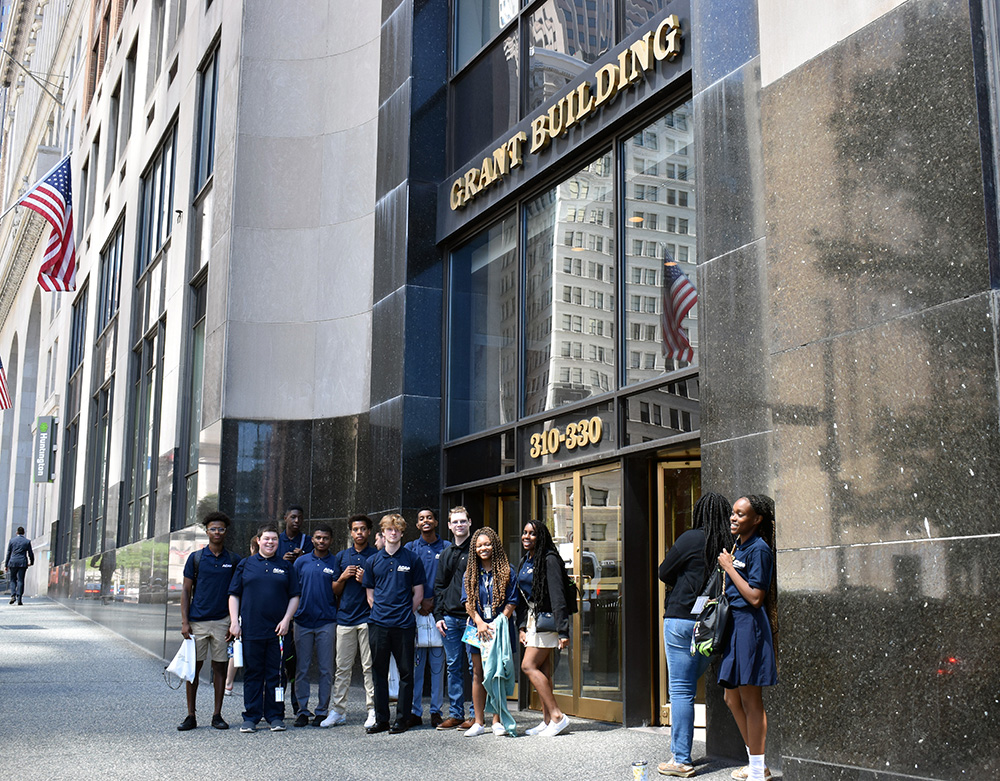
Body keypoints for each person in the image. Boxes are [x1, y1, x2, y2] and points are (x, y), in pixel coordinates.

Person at [656, 493, 733, 777]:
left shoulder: (690, 539)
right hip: (715, 625)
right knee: (688, 685)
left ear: (699, 513)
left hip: (681, 621)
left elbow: (664, 572)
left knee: (681, 690)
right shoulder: (730, 544)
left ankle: (681, 759)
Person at [717, 495, 778, 781]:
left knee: (752, 702)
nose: (733, 517)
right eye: (733, 513)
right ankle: (756, 763)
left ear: (757, 520)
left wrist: (729, 567)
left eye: (741, 514)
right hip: (734, 627)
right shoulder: (739, 546)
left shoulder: (759, 550)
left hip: (750, 627)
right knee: (731, 698)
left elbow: (756, 597)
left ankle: (756, 769)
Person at [228, 523, 301, 733]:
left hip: (279, 632)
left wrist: (287, 619)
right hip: (251, 629)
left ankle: (275, 715)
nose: (270, 542)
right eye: (266, 538)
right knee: (253, 674)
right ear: (258, 540)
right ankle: (251, 716)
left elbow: (294, 596)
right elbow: (234, 594)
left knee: (276, 674)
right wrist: (235, 621)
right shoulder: (246, 564)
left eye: (274, 539)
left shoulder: (286, 566)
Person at [362, 513, 425, 734]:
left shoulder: (411, 559)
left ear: (402, 532)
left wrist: (406, 613)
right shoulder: (373, 561)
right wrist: (381, 613)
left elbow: (418, 592)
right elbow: (370, 595)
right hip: (378, 624)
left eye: (397, 529)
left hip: (404, 625)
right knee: (378, 672)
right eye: (389, 529)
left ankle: (402, 720)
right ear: (383, 532)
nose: (393, 532)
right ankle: (382, 720)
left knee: (406, 673)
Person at [178, 511, 241, 731]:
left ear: (226, 532)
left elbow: (238, 592)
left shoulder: (233, 560)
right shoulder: (196, 558)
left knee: (220, 668)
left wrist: (235, 621)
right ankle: (191, 715)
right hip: (198, 621)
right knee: (193, 669)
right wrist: (185, 622)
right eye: (213, 528)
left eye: (221, 529)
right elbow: (186, 591)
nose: (217, 532)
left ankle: (217, 715)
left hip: (223, 621)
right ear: (207, 531)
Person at [516, 519, 571, 737]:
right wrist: (521, 626)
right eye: (524, 532)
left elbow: (558, 595)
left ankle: (558, 716)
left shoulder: (549, 559)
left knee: (528, 666)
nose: (526, 537)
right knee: (544, 670)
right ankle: (547, 720)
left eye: (532, 534)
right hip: (531, 621)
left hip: (547, 621)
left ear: (541, 537)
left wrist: (564, 630)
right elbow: (522, 596)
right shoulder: (526, 560)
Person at [462, 526, 517, 737]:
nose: (483, 548)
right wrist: (479, 622)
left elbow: (512, 602)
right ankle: (478, 722)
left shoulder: (507, 570)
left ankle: (497, 720)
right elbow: (467, 602)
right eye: (479, 545)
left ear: (494, 545)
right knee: (478, 673)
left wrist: (497, 623)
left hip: (498, 629)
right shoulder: (470, 573)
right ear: (474, 549)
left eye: (487, 544)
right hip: (477, 629)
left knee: (497, 673)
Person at [326, 514, 378, 728]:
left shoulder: (376, 555)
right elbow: (335, 590)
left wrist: (364, 579)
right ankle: (338, 711)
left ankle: (372, 710)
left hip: (368, 617)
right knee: (342, 668)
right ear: (350, 532)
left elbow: (380, 587)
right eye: (356, 529)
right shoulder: (341, 556)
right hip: (345, 618)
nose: (359, 533)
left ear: (369, 532)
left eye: (363, 529)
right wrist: (343, 577)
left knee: (369, 667)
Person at [405, 507, 450, 728]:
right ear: (417, 524)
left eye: (429, 517)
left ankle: (435, 711)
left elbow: (451, 581)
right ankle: (415, 711)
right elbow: (405, 581)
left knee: (437, 666)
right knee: (416, 667)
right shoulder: (410, 548)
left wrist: (434, 602)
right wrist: (420, 601)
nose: (426, 521)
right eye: (421, 518)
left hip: (439, 614)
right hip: (416, 612)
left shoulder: (447, 547)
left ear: (436, 521)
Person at [292, 523, 338, 727]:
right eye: (318, 537)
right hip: (302, 621)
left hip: (326, 622)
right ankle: (302, 710)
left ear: (330, 540)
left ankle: (322, 711)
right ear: (312, 540)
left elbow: (339, 591)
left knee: (326, 669)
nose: (321, 541)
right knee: (301, 668)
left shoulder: (336, 562)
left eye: (325, 538)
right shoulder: (301, 562)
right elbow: (293, 591)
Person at [433, 506, 474, 730]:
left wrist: (476, 615)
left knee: (474, 666)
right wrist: (438, 615)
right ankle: (457, 714)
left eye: (462, 521)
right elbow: (438, 586)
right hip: (449, 619)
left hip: (472, 620)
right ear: (449, 526)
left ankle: (476, 714)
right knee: (453, 667)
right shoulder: (446, 553)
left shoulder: (477, 550)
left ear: (469, 523)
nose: (459, 525)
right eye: (455, 522)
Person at [276, 505, 312, 715]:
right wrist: (284, 561)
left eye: (300, 517)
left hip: (303, 609)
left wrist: (302, 557)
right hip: (280, 607)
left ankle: (298, 706)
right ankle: (277, 706)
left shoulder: (307, 541)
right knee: (280, 663)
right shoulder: (277, 541)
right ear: (285, 518)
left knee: (297, 664)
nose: (296, 521)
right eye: (293, 517)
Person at [4, 526, 34, 605]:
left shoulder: (12, 541)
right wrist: (32, 562)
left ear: (17, 532)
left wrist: (6, 565)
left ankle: (13, 595)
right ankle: (19, 598)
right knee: (21, 580)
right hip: (22, 562)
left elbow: (8, 553)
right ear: (24, 533)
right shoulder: (27, 541)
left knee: (13, 579)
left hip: (13, 562)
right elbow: (30, 553)